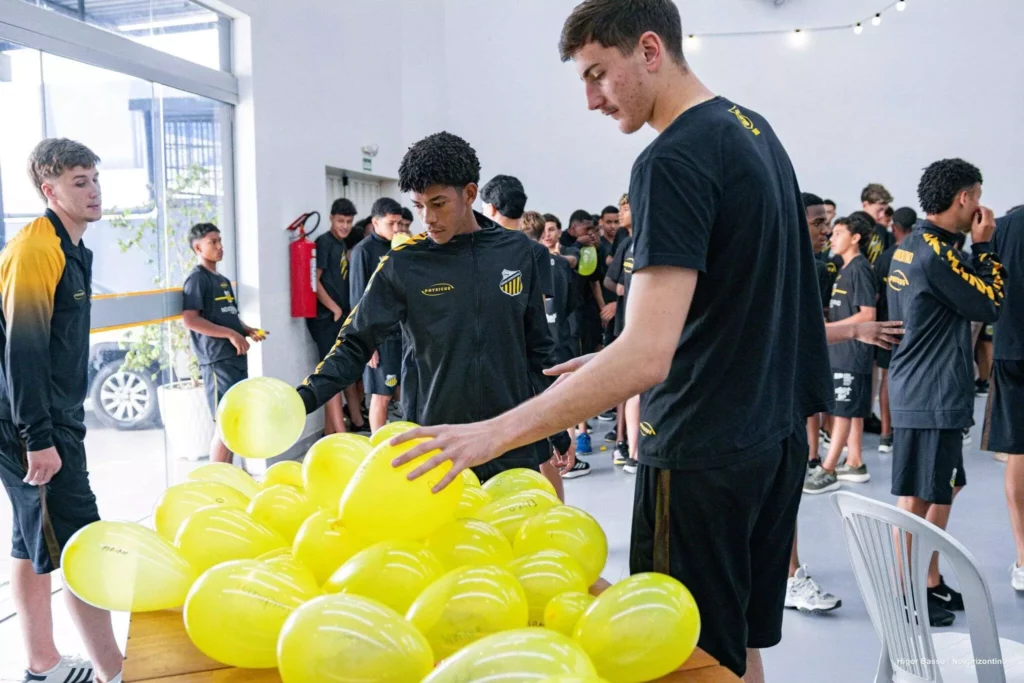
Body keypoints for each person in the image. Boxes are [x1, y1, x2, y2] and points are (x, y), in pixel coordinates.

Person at [388, 3, 835, 679]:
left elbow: (648, 355)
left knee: (685, 657)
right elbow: (741, 300)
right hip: (772, 442)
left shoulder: (671, 157)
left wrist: (493, 433)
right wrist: (611, 352)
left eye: (599, 74)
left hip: (702, 452)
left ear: (650, 50)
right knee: (734, 647)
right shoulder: (753, 130)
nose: (593, 99)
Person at [297, 132, 566, 482]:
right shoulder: (404, 264)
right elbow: (355, 343)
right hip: (436, 446)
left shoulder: (521, 253)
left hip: (510, 440)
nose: (428, 219)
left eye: (439, 203)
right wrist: (303, 399)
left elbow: (539, 351)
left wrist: (557, 428)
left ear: (469, 194)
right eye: (419, 206)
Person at [0, 138, 124, 683]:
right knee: (80, 542)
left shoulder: (72, 246)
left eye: (95, 178)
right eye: (79, 182)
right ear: (49, 190)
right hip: (30, 423)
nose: (93, 190)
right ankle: (114, 671)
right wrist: (39, 437)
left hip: (44, 418)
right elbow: (22, 352)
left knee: (31, 542)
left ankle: (41, 664)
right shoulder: (35, 250)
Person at [887, 158, 1004, 626]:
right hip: (929, 391)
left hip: (928, 386)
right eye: (976, 196)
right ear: (964, 198)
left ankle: (928, 581)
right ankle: (905, 593)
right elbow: (989, 302)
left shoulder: (913, 244)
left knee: (942, 488)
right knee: (917, 498)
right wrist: (985, 247)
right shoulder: (939, 254)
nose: (979, 205)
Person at [803, 214, 876, 495]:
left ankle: (829, 468)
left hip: (853, 352)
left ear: (855, 238)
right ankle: (854, 461)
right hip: (840, 351)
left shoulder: (860, 269)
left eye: (838, 233)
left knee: (843, 411)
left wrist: (828, 328)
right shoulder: (845, 269)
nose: (831, 237)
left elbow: (868, 315)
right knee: (849, 410)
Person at [182, 223, 266, 462]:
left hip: (235, 358)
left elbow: (228, 315)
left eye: (220, 241)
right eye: (213, 242)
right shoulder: (197, 279)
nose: (220, 247)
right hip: (217, 361)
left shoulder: (222, 280)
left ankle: (228, 477)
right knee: (224, 423)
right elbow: (191, 319)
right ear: (198, 247)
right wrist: (230, 335)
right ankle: (217, 482)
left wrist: (246, 330)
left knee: (233, 422)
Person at [522, 210, 587, 481]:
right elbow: (571, 304)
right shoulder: (559, 264)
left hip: (538, 346)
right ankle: (568, 449)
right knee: (562, 401)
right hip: (555, 341)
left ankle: (565, 448)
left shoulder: (522, 265)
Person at [982, 205, 1024, 591]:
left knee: (1018, 451)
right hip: (1010, 347)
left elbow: (984, 286)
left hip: (1012, 346)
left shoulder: (1003, 228)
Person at [307, 198, 367, 435]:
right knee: (330, 375)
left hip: (338, 317)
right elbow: (315, 279)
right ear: (331, 218)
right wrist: (334, 308)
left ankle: (330, 433)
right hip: (325, 319)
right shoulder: (324, 242)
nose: (345, 226)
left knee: (340, 372)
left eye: (349, 221)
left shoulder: (341, 244)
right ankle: (340, 434)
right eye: (340, 221)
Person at [348, 197, 405, 434]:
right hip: (378, 338)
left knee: (403, 391)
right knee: (381, 395)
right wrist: (366, 343)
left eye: (399, 224)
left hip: (400, 332)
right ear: (375, 222)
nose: (396, 229)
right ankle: (376, 448)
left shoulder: (399, 247)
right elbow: (358, 300)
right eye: (391, 223)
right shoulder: (364, 251)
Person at [874, 207, 917, 454]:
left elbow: (876, 295)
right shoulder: (921, 254)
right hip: (914, 329)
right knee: (911, 379)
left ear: (894, 227)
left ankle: (885, 434)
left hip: (887, 327)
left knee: (887, 378)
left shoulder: (885, 257)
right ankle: (905, 435)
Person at [480, 174, 554, 297]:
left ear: (491, 208)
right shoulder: (537, 250)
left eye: (483, 210)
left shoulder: (478, 247)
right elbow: (540, 306)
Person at [604, 194, 635, 469]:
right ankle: (622, 441)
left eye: (626, 208)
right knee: (625, 386)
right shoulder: (625, 245)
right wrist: (619, 291)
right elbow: (609, 280)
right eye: (621, 208)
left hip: (644, 327)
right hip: (624, 325)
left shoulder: (653, 242)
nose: (623, 213)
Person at [862, 183, 895, 264]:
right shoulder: (851, 229)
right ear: (865, 205)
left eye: (884, 210)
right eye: (879, 210)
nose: (882, 215)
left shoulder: (882, 232)